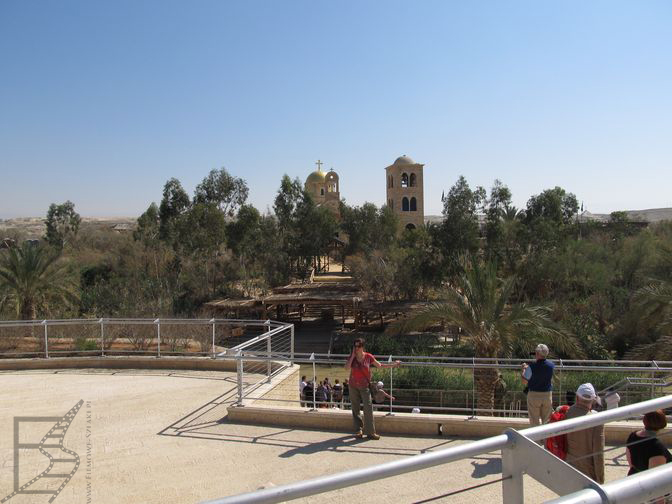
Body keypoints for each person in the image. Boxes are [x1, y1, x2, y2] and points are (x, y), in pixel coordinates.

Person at [345, 338, 400, 440]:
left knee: (368, 408)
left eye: (358, 346)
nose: (356, 348)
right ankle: (359, 430)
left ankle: (371, 433)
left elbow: (379, 365)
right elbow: (346, 368)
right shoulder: (352, 357)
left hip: (365, 386)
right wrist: (352, 356)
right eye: (355, 346)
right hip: (353, 386)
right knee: (355, 409)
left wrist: (394, 364)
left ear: (363, 347)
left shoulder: (368, 357)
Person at [565, 383, 605, 483]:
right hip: (587, 473)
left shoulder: (564, 413)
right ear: (593, 400)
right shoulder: (596, 420)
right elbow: (598, 454)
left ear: (577, 397)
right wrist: (600, 479)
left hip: (565, 468)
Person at [626, 409, 672, 476]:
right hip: (644, 483)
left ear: (645, 420)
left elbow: (631, 462)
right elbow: (654, 477)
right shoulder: (656, 446)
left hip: (633, 476)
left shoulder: (632, 436)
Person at [522, 343, 555, 426]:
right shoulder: (551, 365)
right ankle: (546, 439)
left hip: (534, 395)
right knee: (547, 421)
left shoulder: (531, 367)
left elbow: (524, 381)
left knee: (534, 421)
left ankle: (536, 439)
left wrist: (524, 370)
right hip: (547, 395)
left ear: (537, 354)